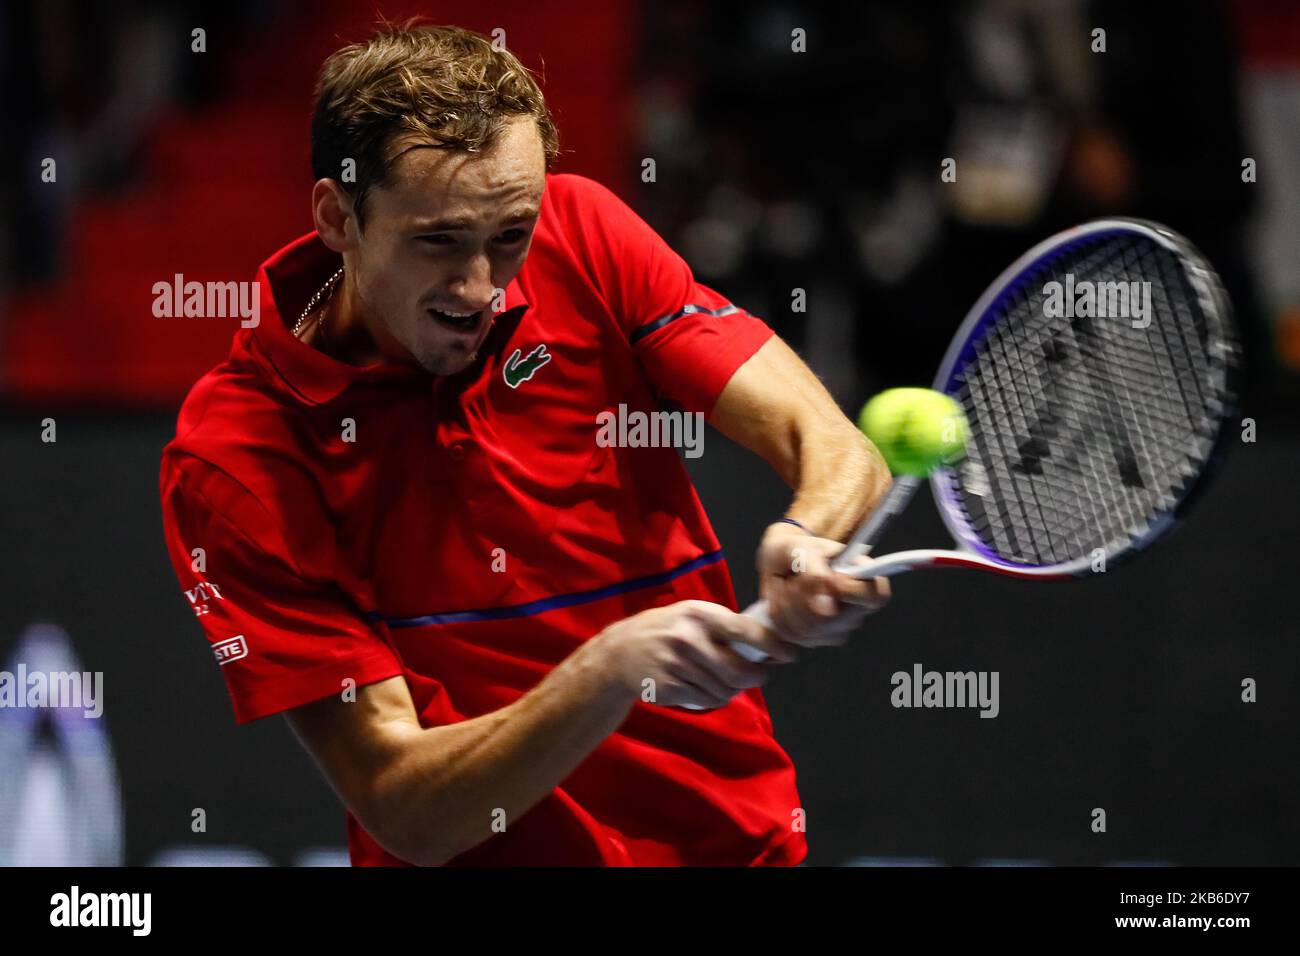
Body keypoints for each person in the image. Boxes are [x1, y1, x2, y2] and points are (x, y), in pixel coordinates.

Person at [159, 23, 890, 866]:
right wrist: (607, 672)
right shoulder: (234, 460)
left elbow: (833, 446)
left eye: (509, 235)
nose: (480, 288)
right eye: (438, 240)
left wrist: (808, 538)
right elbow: (405, 808)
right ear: (337, 215)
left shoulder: (584, 232)